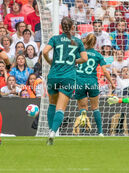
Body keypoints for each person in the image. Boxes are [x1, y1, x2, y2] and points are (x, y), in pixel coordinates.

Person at [43, 17, 88, 145]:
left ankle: (50, 131)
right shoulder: (77, 41)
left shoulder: (55, 39)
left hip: (53, 75)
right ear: (73, 27)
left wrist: (50, 61)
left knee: (52, 104)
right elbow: (84, 58)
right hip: (68, 77)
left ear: (61, 27)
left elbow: (45, 51)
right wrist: (74, 61)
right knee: (60, 108)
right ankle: (53, 132)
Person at [75, 33, 115, 136]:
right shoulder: (98, 55)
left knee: (82, 108)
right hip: (92, 82)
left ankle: (83, 132)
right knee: (95, 107)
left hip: (80, 81)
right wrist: (112, 82)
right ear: (95, 43)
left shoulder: (80, 52)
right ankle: (100, 132)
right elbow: (105, 72)